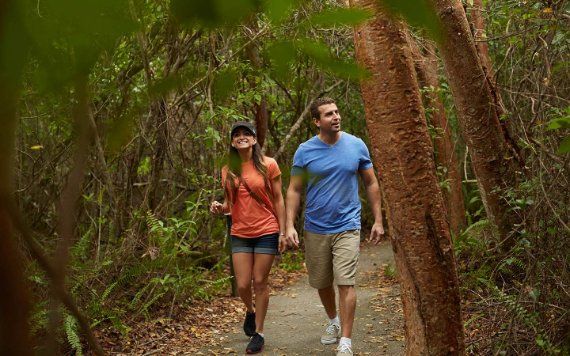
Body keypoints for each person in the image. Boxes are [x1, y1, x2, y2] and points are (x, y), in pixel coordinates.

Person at [285, 97, 385, 356]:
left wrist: (378, 220)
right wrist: (289, 226)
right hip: (315, 226)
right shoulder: (305, 151)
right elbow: (294, 189)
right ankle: (333, 320)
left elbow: (371, 183)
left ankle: (346, 341)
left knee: (346, 282)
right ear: (317, 121)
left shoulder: (356, 145)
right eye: (329, 114)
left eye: (337, 112)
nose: (336, 117)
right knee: (321, 282)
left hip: (347, 224)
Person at [210, 121, 287, 354]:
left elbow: (278, 199)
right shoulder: (227, 169)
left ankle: (259, 333)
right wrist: (219, 208)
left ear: (254, 139)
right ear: (233, 142)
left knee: (260, 281)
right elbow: (230, 204)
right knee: (243, 284)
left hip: (266, 229)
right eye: (236, 135)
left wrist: (282, 231)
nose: (241, 137)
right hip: (240, 232)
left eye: (246, 134)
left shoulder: (269, 164)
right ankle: (250, 311)